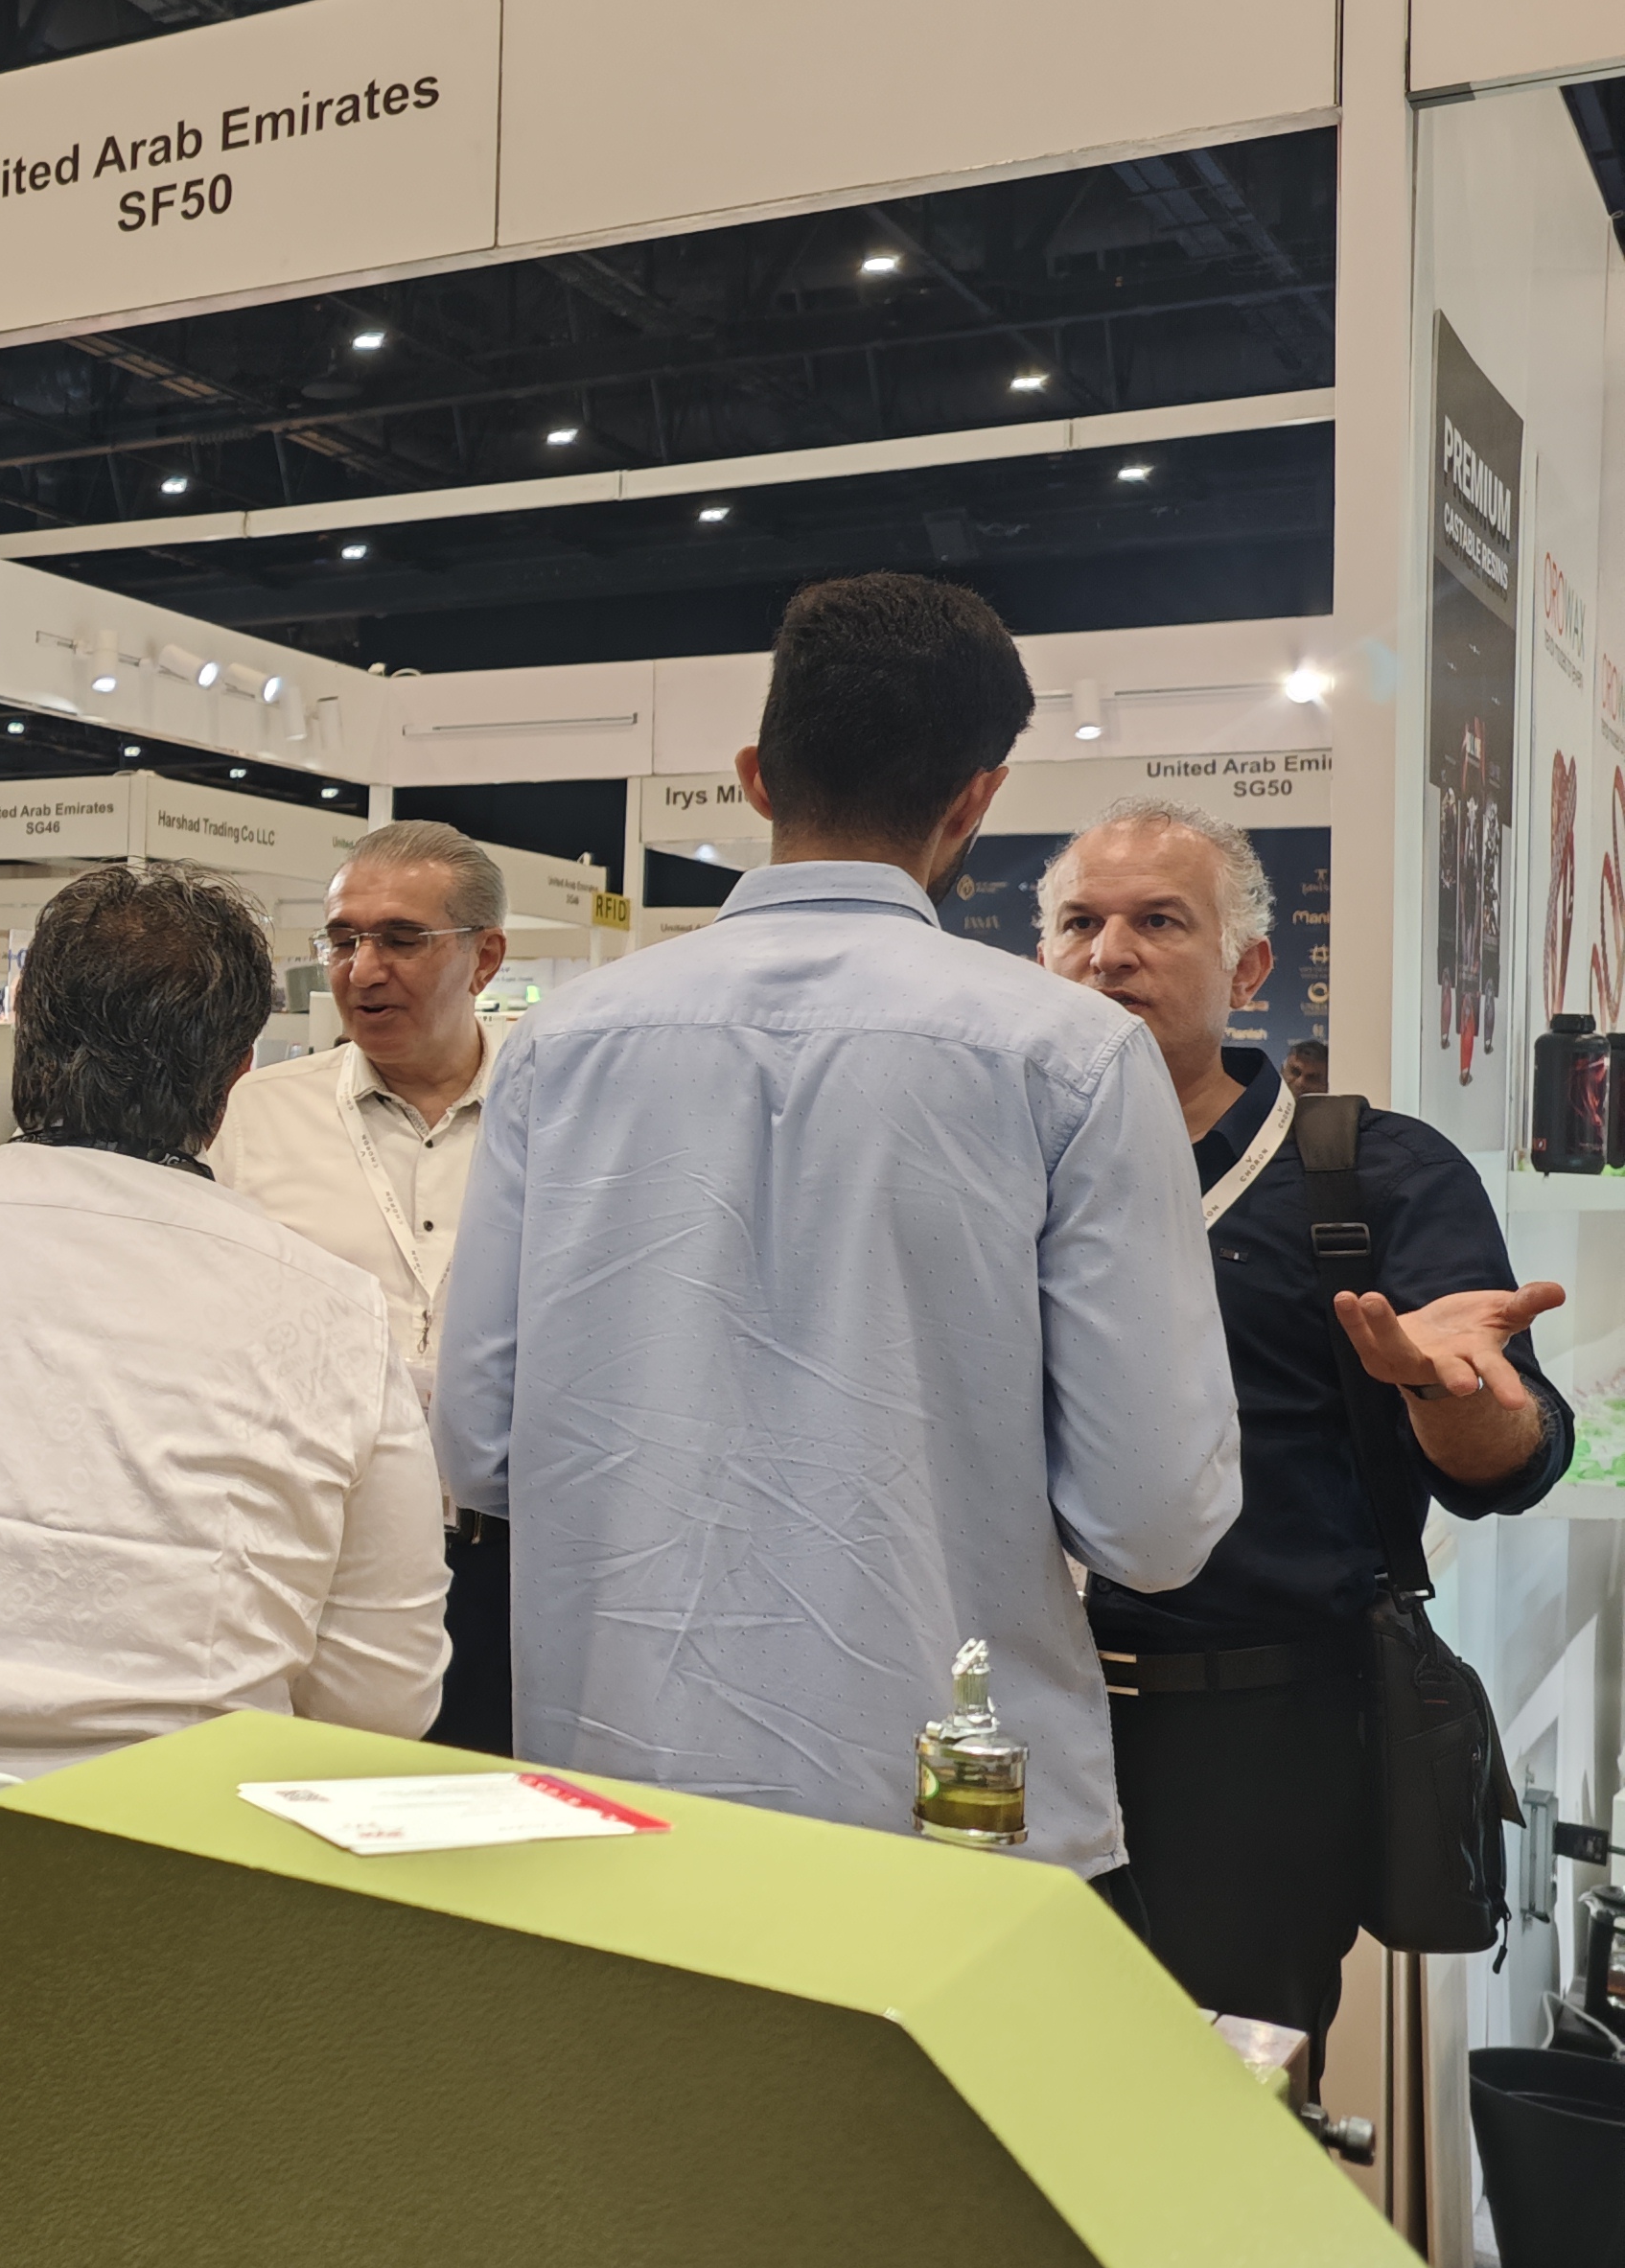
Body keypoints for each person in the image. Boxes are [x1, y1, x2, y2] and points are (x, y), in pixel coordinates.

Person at [434, 574, 1242, 1883]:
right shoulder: (1073, 1058)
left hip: (616, 1787)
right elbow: (1151, 1521)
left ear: (756, 778)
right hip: (943, 1814)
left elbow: (479, 1449)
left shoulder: (559, 1046)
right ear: (974, 799)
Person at [0, 865, 449, 1840]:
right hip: (190, 1856)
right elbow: (384, 1695)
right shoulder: (331, 1310)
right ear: (237, 1072)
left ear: (24, 1024)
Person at [1041, 798, 1566, 2042]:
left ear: (1248, 968)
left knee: (1227, 2087)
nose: (1108, 955)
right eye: (1077, 923)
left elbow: (1509, 1463)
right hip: (1020, 1714)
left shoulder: (1372, 1175)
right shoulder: (992, 1163)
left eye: (1158, 922)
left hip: (1259, 1738)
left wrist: (1441, 1391)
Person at [212, 818, 514, 1751]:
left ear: (485, 957)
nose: (361, 970)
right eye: (342, 940)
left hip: (513, 1558)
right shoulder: (251, 1120)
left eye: (400, 939)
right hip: (317, 1559)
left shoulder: (559, 1110)